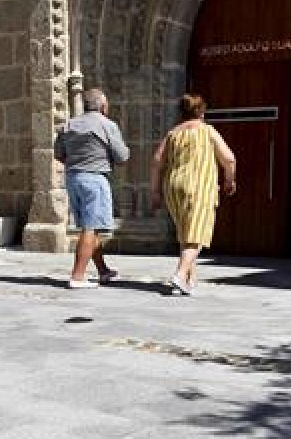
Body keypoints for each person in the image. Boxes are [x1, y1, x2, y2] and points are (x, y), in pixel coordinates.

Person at [150, 93, 236, 294]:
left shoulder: (173, 133)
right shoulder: (207, 131)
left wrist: (154, 191)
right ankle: (180, 275)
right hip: (199, 186)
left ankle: (188, 280)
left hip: (174, 186)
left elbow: (156, 161)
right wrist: (229, 181)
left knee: (186, 233)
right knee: (197, 235)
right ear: (202, 111)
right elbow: (229, 159)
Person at [54, 87, 129, 288]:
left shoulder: (69, 125)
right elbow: (122, 156)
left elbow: (58, 154)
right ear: (103, 106)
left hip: (72, 178)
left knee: (89, 227)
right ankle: (77, 277)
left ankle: (103, 270)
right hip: (95, 179)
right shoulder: (107, 125)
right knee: (90, 228)